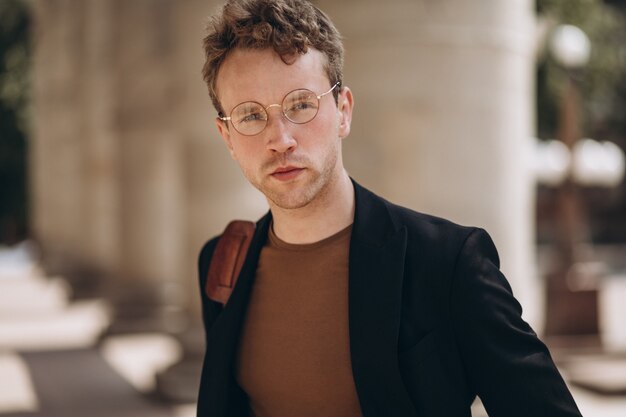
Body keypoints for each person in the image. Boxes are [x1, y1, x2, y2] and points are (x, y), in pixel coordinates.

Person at [196, 1, 582, 416]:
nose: (281, 138)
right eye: (251, 115)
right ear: (227, 137)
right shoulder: (222, 261)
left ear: (343, 111)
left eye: (301, 105)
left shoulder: (448, 263)